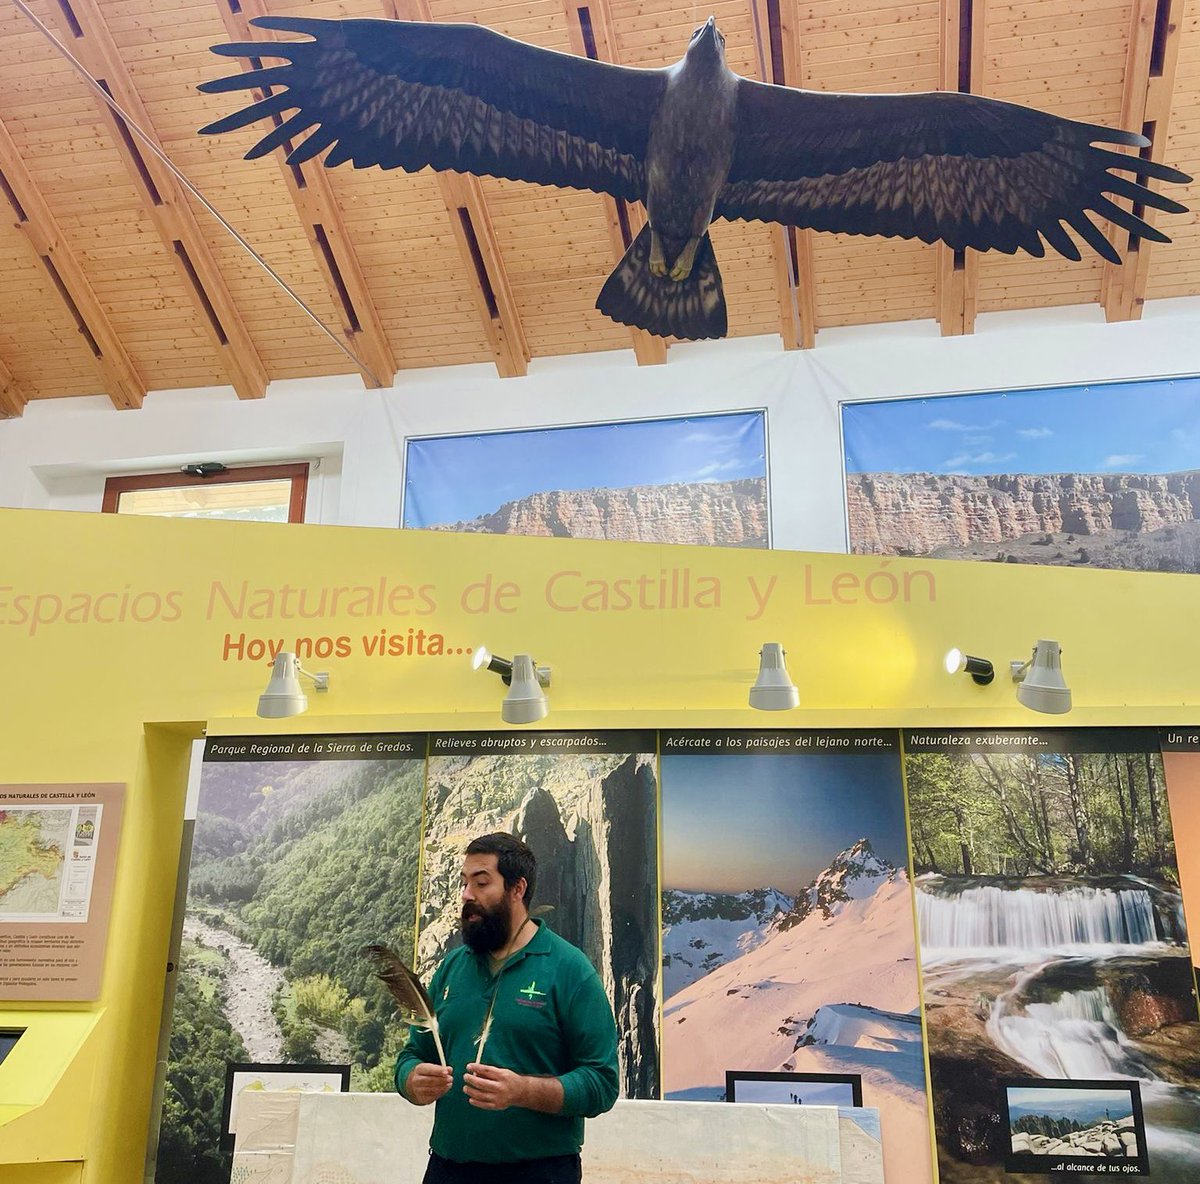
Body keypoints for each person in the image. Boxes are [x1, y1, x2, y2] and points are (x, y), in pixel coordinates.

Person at [395, 832, 619, 1184]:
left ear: (517, 889)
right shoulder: (452, 968)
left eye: (481, 883)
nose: (467, 895)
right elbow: (412, 1054)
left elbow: (601, 1083)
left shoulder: (570, 970)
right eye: (464, 883)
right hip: (447, 1169)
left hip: (540, 1173)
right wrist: (410, 1079)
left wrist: (522, 1091)